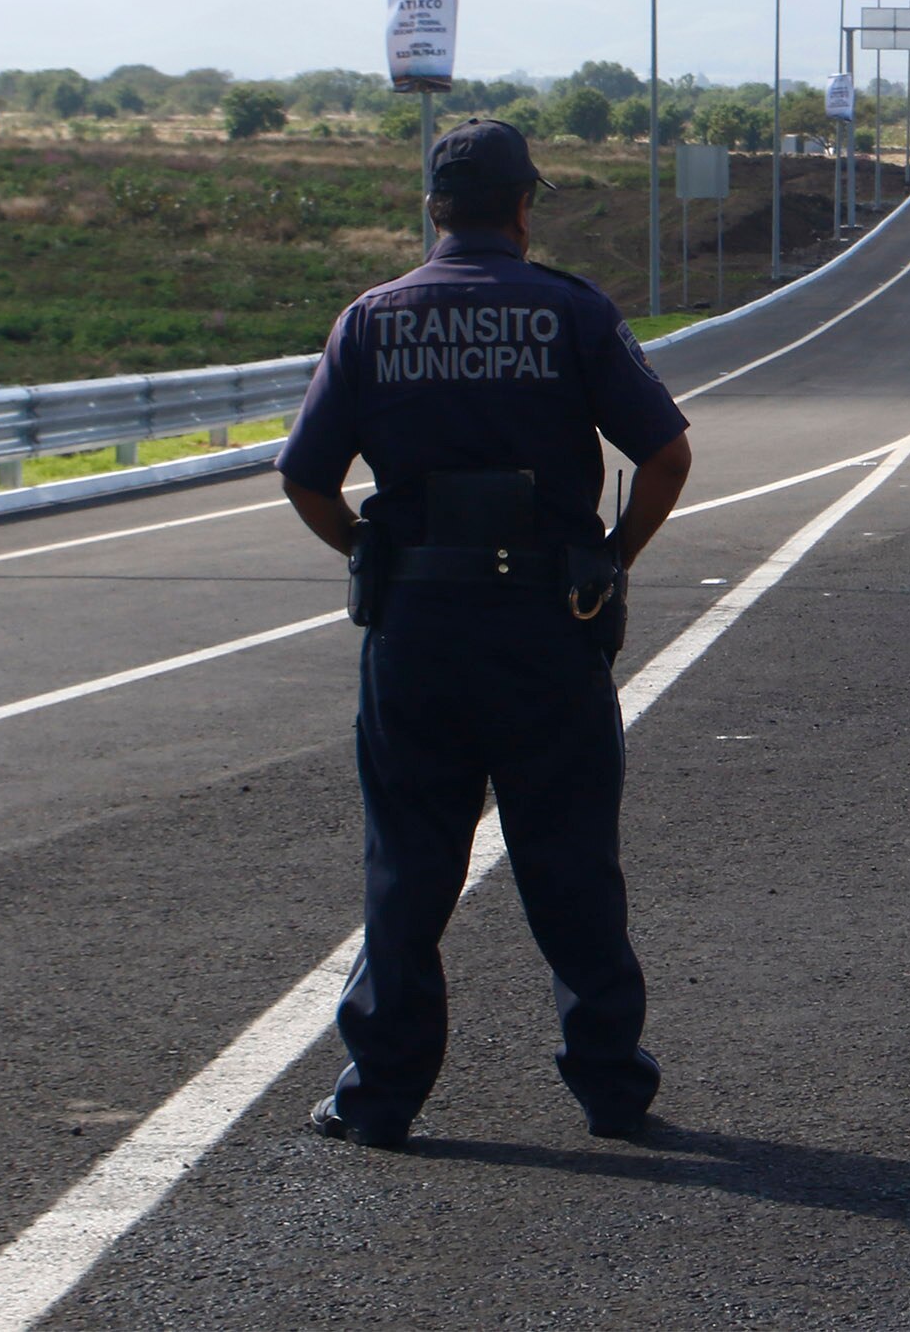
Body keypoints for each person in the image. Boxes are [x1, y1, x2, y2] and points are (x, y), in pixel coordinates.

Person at [276, 118, 695, 1151]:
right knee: (570, 862)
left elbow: (304, 476)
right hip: (546, 629)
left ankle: (379, 1098)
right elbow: (668, 454)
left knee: (408, 869)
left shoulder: (370, 321)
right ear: (522, 207)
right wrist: (609, 559)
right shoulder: (569, 311)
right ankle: (608, 1089)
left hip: (416, 633)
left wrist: (370, 557)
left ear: (433, 210)